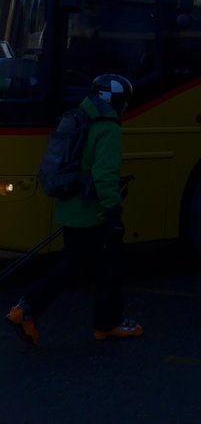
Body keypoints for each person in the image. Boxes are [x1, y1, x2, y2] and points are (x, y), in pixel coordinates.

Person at [6, 74, 143, 345]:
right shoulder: (107, 127)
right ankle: (106, 324)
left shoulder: (77, 117)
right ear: (114, 101)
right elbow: (104, 174)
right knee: (109, 268)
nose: (126, 108)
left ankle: (28, 310)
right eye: (124, 102)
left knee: (77, 265)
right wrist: (113, 212)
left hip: (70, 208)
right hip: (93, 212)